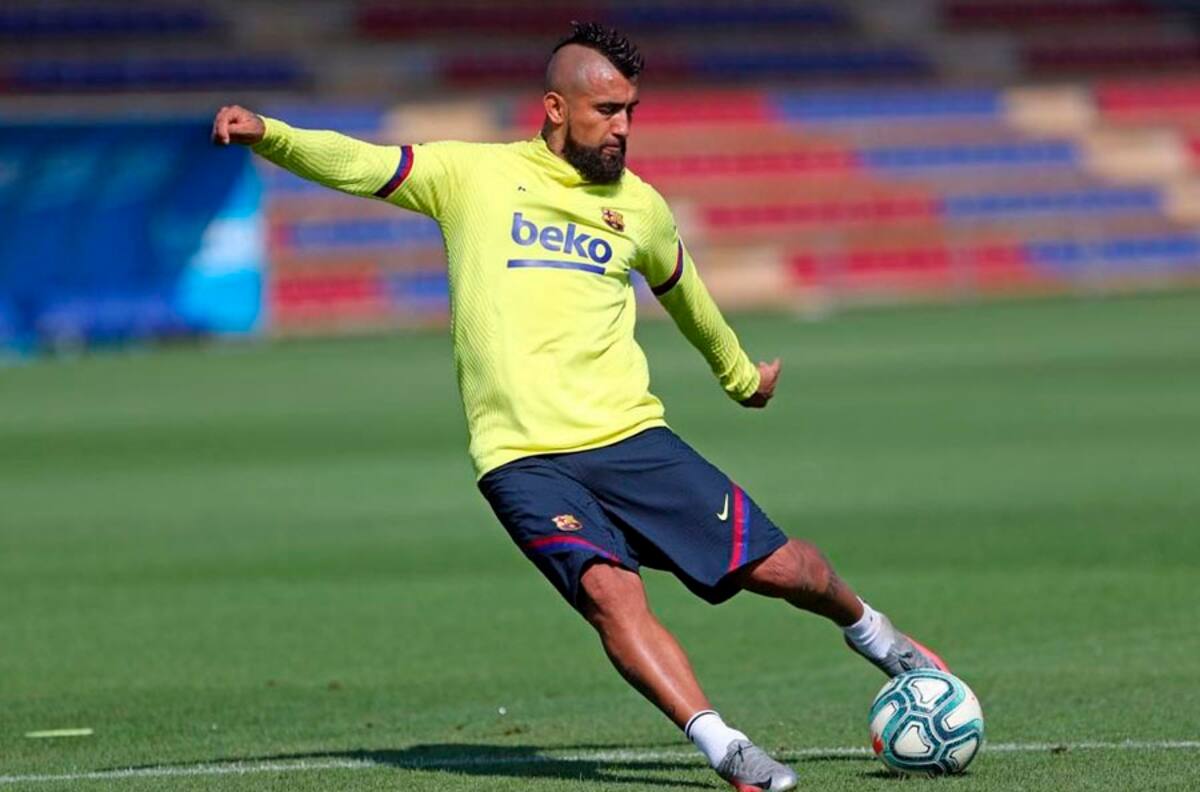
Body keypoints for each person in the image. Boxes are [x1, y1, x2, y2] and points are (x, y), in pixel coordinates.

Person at [212, 21, 948, 792]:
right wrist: (272, 134)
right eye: (606, 111)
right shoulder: (473, 177)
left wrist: (740, 379)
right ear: (556, 108)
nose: (622, 128)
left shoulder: (642, 208)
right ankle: (726, 747)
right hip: (523, 459)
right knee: (607, 592)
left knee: (785, 567)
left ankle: (872, 632)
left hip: (631, 439)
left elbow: (689, 300)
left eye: (630, 110)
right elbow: (362, 164)